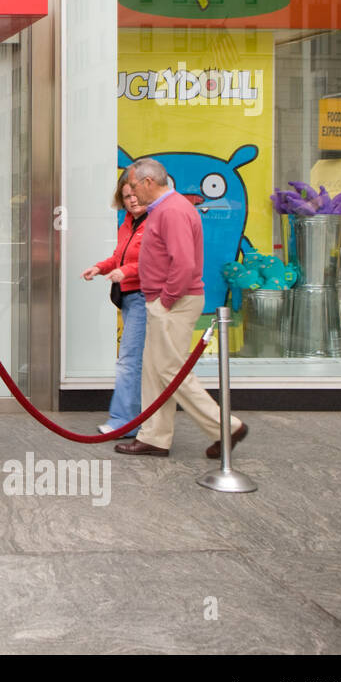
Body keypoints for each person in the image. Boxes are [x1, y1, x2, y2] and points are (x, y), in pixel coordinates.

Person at [115, 157, 249, 459]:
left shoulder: (172, 211)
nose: (132, 194)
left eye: (134, 186)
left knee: (170, 370)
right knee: (153, 370)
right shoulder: (165, 209)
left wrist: (165, 300)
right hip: (166, 300)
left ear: (149, 182)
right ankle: (154, 437)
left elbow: (185, 263)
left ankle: (226, 427)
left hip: (173, 302)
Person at [81, 174, 149, 439]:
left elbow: (153, 260)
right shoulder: (129, 223)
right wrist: (100, 267)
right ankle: (132, 418)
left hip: (143, 295)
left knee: (128, 361)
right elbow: (119, 255)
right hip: (129, 297)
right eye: (126, 197)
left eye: (135, 195)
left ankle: (124, 421)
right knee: (134, 360)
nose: (132, 201)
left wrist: (127, 272)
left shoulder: (155, 222)